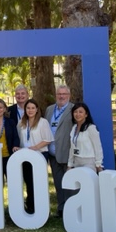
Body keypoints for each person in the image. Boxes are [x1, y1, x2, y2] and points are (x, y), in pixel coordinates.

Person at [17, 98, 54, 214]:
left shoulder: (43, 122)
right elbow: (19, 139)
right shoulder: (21, 123)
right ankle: (30, 205)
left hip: (40, 154)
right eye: (28, 108)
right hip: (26, 155)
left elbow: (48, 139)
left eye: (33, 108)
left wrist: (35, 147)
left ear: (37, 109)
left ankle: (40, 207)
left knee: (38, 181)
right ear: (25, 109)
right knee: (29, 181)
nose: (30, 110)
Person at [45, 85, 73, 217]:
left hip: (67, 153)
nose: (61, 96)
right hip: (52, 154)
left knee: (69, 182)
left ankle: (71, 208)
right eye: (59, 94)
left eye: (64, 94)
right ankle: (61, 208)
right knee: (58, 182)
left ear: (69, 95)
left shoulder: (73, 109)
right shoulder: (49, 110)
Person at [67, 102, 104, 173]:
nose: (78, 114)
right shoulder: (74, 128)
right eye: (75, 112)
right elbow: (72, 148)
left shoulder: (91, 128)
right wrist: (70, 164)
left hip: (88, 161)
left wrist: (98, 164)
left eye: (80, 112)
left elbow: (97, 147)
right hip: (77, 161)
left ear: (86, 114)